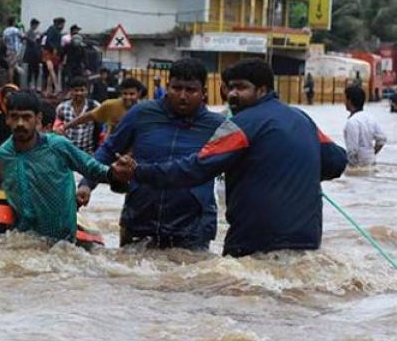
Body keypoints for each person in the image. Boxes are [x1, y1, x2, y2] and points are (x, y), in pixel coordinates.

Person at [113, 59, 347, 258]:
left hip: (253, 240)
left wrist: (140, 172)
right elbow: (336, 161)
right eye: (230, 88)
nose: (232, 94)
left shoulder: (240, 125)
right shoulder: (302, 119)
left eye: (241, 88)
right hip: (307, 239)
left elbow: (196, 168)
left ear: (262, 90)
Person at [77, 59, 225, 250]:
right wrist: (86, 184)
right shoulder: (142, 114)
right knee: (130, 276)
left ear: (204, 92)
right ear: (167, 86)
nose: (182, 96)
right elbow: (108, 149)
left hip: (192, 229)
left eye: (190, 90)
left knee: (191, 277)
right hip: (139, 220)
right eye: (176, 88)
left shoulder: (217, 126)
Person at [0, 91, 127, 241]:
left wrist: (114, 174)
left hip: (63, 243)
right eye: (14, 117)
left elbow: (92, 168)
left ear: (38, 119)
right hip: (24, 244)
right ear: (7, 119)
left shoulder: (58, 146)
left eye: (26, 117)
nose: (20, 123)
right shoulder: (2, 156)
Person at [60, 77, 143, 136]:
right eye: (125, 94)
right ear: (121, 93)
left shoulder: (144, 110)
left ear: (139, 94)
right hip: (111, 148)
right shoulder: (110, 105)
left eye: (131, 94)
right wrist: (65, 127)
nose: (128, 97)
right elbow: (86, 117)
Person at [343, 85, 386, 168]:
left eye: (345, 99)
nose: (344, 102)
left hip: (358, 165)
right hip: (371, 161)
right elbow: (382, 139)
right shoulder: (370, 118)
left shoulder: (352, 122)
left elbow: (352, 150)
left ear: (349, 101)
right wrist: (372, 153)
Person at [55, 76, 100, 154]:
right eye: (76, 90)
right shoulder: (62, 108)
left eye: (82, 90)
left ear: (87, 91)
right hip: (67, 152)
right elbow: (57, 127)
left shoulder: (95, 106)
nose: (79, 93)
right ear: (71, 91)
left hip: (88, 153)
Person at [42, 17, 65, 94]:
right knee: (51, 69)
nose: (63, 26)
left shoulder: (58, 31)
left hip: (55, 53)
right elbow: (48, 40)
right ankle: (56, 86)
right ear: (59, 24)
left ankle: (48, 90)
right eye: (62, 24)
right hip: (49, 52)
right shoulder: (52, 29)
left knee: (51, 72)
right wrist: (54, 48)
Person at [2, 16, 23, 84]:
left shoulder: (5, 31)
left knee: (11, 66)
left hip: (9, 49)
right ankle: (11, 82)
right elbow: (22, 36)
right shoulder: (15, 30)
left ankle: (11, 81)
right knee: (12, 66)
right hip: (15, 50)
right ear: (13, 22)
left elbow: (4, 41)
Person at [24, 19, 42, 90]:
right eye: (36, 25)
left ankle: (35, 84)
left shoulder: (36, 32)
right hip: (31, 54)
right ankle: (29, 84)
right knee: (31, 70)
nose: (37, 26)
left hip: (36, 54)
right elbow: (31, 41)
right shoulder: (29, 32)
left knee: (36, 70)